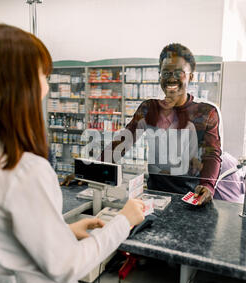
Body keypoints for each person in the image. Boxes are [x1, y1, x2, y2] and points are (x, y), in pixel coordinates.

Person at [0, 23, 144, 283]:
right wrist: (123, 221)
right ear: (17, 85)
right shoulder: (23, 170)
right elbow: (66, 266)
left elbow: (4, 238)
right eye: (43, 75)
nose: (46, 85)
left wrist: (62, 231)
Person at [63, 43, 223, 206]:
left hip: (191, 198)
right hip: (156, 196)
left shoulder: (206, 113)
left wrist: (208, 185)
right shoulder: (149, 108)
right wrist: (90, 172)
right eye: (166, 72)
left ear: (191, 76)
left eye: (178, 72)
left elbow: (212, 155)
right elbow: (122, 143)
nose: (171, 77)